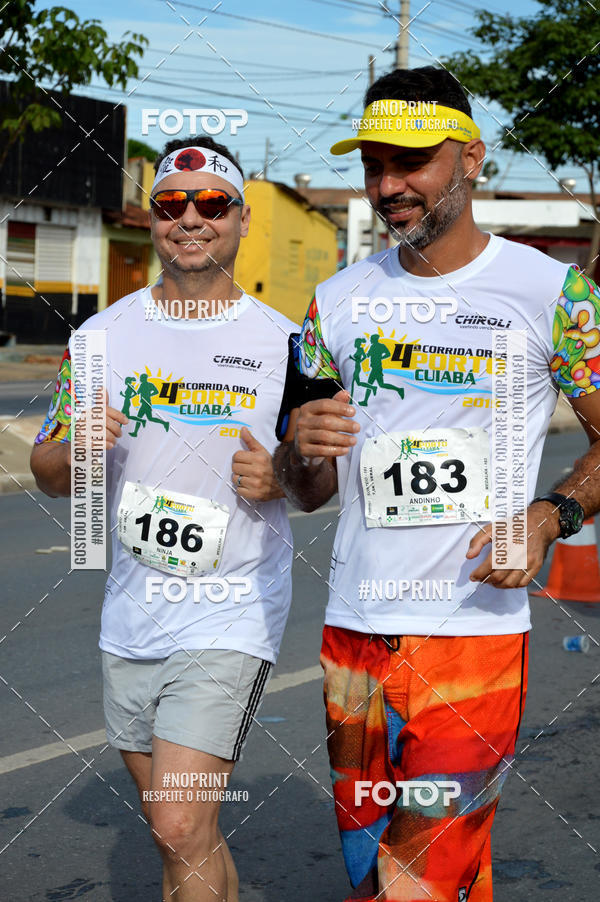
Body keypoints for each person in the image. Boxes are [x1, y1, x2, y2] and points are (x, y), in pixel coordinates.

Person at [274, 66, 600, 901]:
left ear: (471, 159)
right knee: (382, 873)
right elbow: (306, 486)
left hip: (473, 637)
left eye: (412, 161)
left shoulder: (552, 293)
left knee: (410, 880)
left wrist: (549, 515)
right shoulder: (332, 303)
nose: (389, 186)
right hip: (353, 636)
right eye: (375, 164)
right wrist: (298, 451)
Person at [31, 135, 297, 902]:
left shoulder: (285, 342)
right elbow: (48, 475)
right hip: (133, 614)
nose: (191, 219)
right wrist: (74, 446)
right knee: (184, 834)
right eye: (172, 204)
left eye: (211, 204)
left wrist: (281, 474)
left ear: (243, 219)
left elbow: (323, 477)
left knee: (178, 824)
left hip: (232, 612)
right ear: (151, 219)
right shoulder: (100, 338)